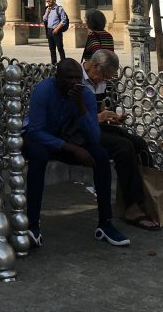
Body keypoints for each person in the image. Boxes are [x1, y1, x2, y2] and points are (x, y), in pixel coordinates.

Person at [22, 58, 130, 248]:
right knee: (38, 158)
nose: (73, 82)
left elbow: (94, 136)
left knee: (100, 156)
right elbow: (35, 131)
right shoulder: (44, 90)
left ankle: (105, 223)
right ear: (57, 77)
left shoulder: (85, 94)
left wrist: (81, 107)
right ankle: (32, 224)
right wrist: (71, 148)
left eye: (76, 78)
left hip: (66, 138)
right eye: (68, 78)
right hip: (41, 139)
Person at [81, 49, 160, 231]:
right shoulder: (77, 79)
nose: (104, 81)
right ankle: (132, 206)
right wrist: (98, 118)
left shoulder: (99, 79)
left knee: (138, 143)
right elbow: (74, 115)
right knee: (123, 147)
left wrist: (109, 116)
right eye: (105, 76)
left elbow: (100, 107)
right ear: (95, 67)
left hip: (96, 125)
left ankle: (150, 197)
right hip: (81, 129)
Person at [42, 0, 69, 65]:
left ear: (54, 0)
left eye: (49, 1)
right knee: (52, 49)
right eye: (47, 1)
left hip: (56, 31)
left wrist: (57, 29)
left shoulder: (59, 8)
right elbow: (44, 19)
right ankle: (53, 63)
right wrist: (47, 12)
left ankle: (63, 63)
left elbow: (63, 20)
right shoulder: (47, 9)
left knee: (60, 48)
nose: (48, 2)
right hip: (49, 31)